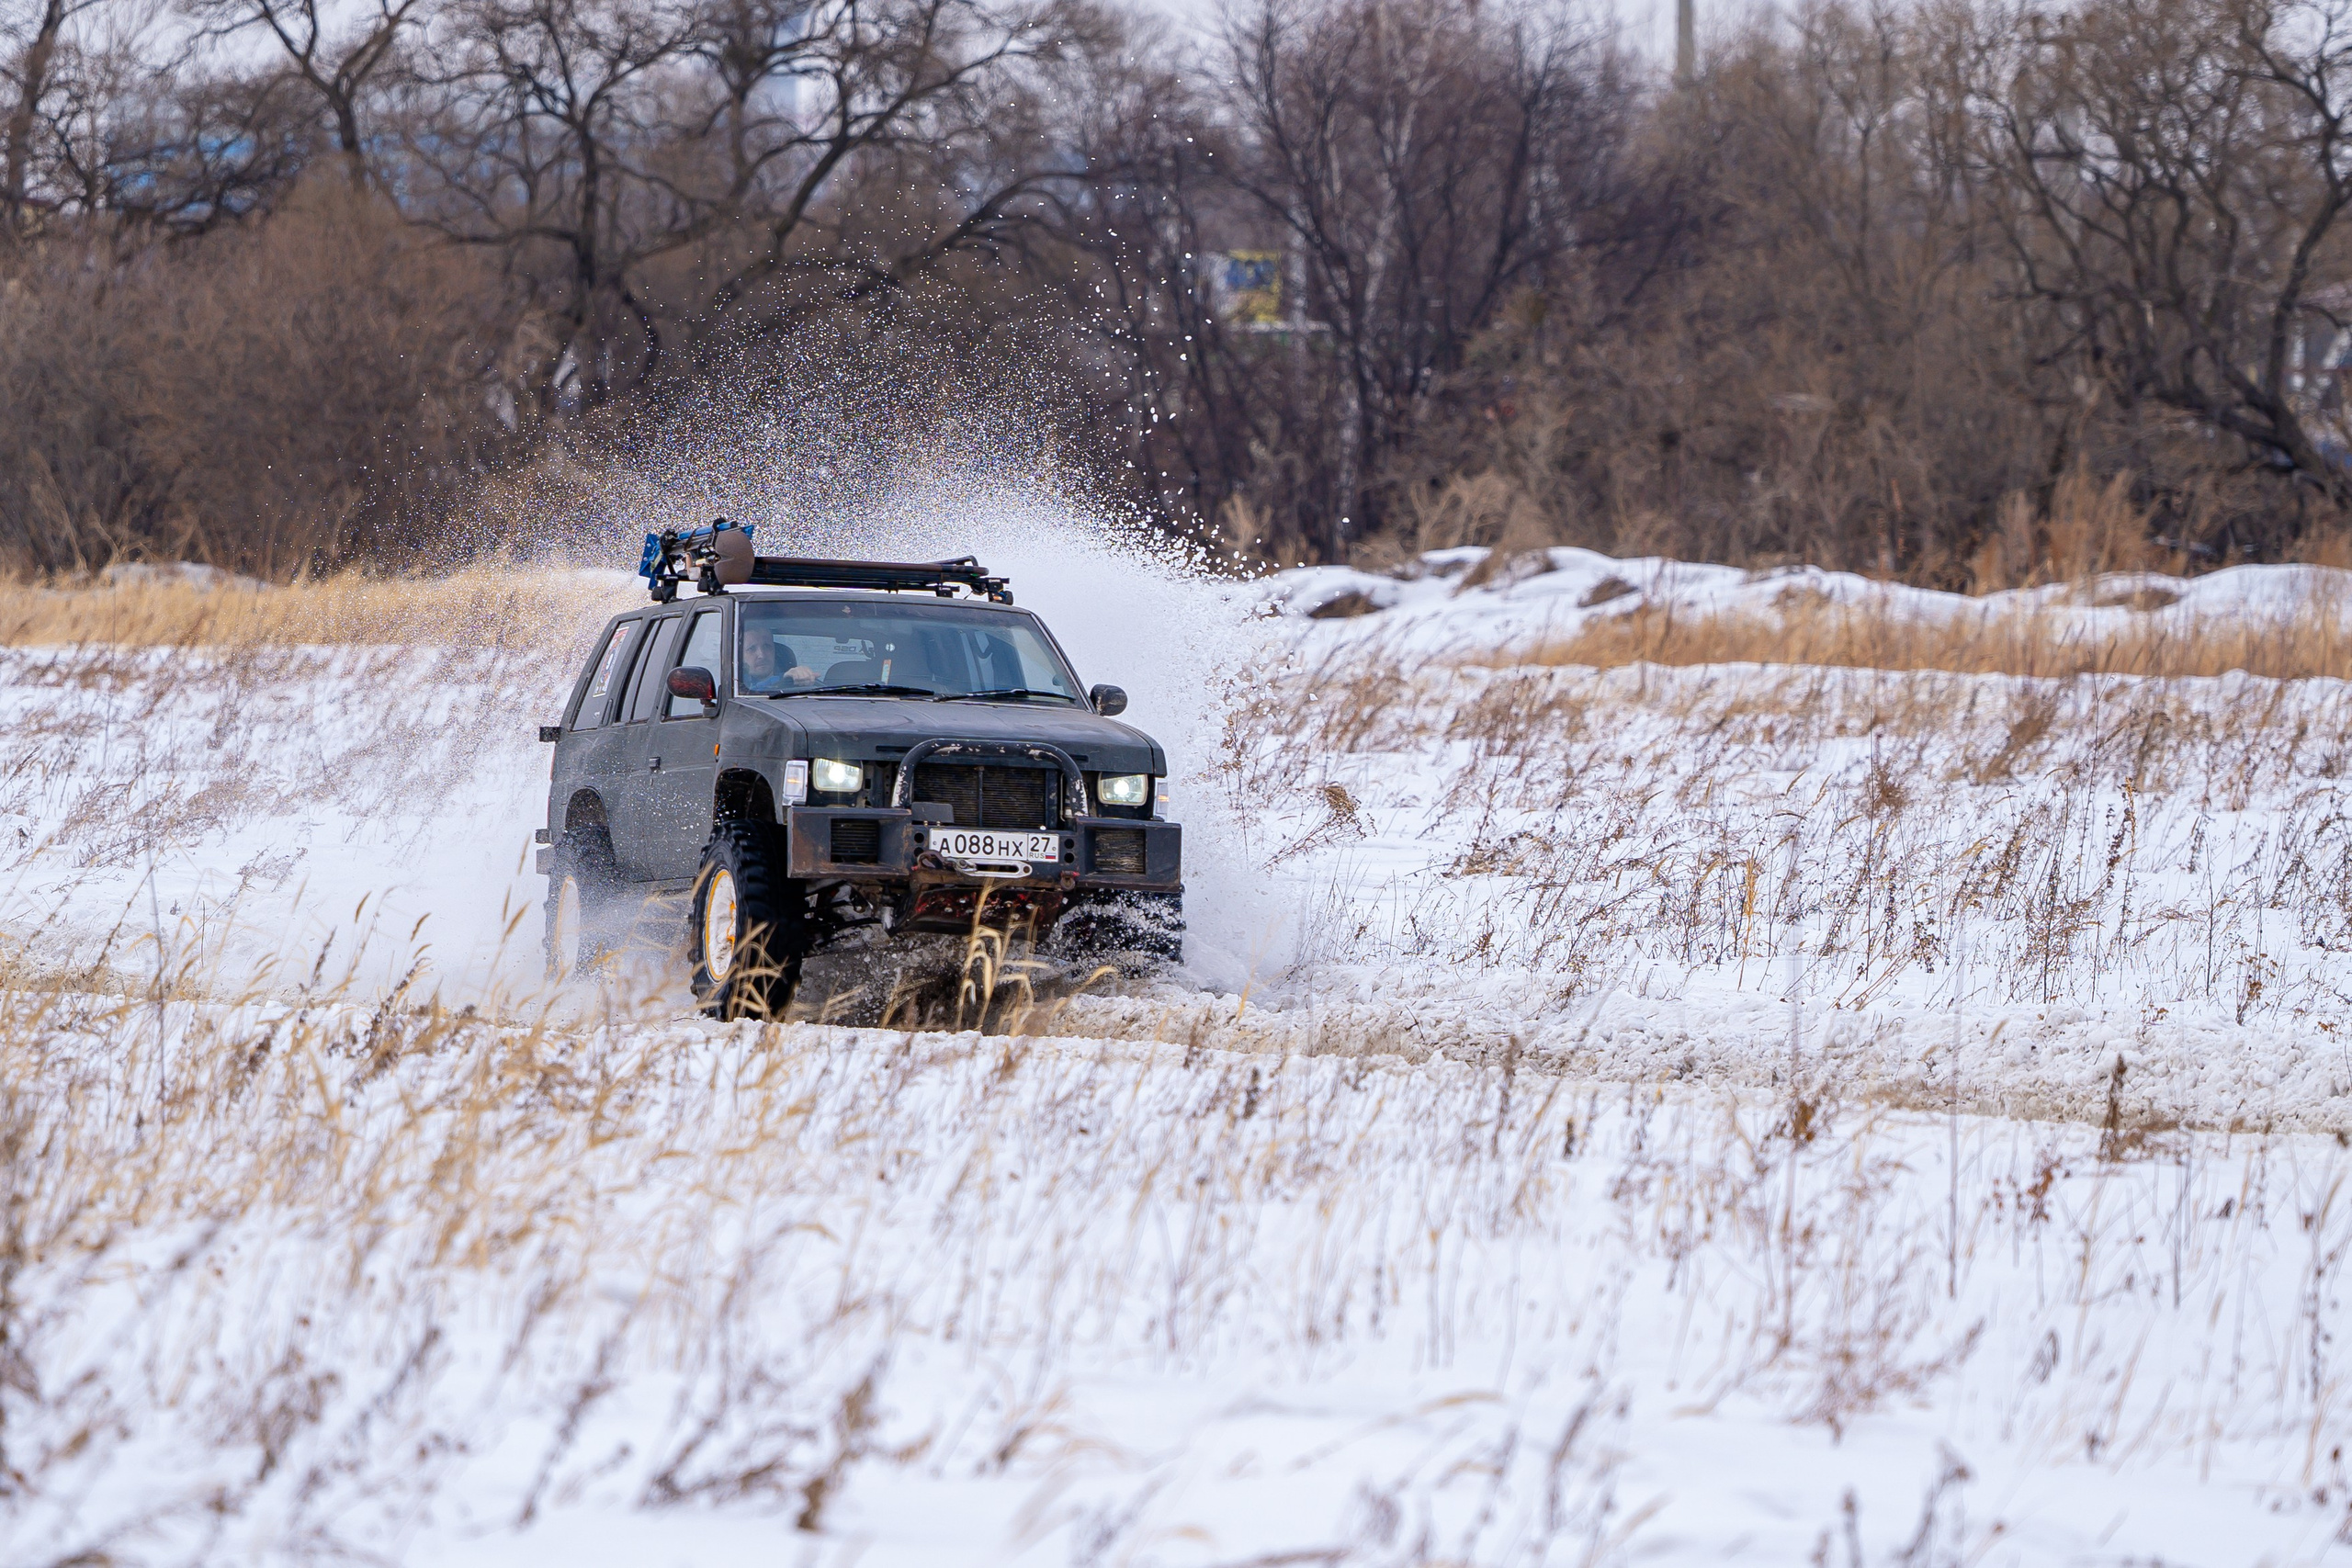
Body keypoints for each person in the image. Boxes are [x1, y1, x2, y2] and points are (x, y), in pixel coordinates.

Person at [740, 632, 817, 693]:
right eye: (751, 649)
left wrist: (803, 675)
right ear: (740, 655)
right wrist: (781, 681)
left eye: (767, 646)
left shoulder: (796, 685)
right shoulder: (734, 684)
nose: (761, 655)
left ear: (775, 651)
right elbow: (750, 692)